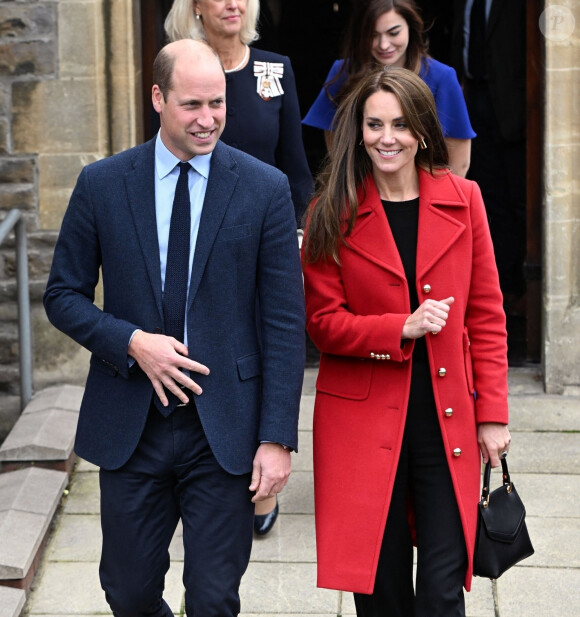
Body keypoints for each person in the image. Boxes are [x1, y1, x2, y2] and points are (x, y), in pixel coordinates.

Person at [43, 39, 305, 617]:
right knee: (129, 594)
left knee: (214, 602)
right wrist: (131, 342)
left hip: (226, 428)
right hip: (130, 425)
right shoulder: (103, 183)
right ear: (158, 97)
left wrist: (277, 437)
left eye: (217, 103)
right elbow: (61, 295)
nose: (208, 119)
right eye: (192, 105)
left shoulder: (264, 189)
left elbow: (285, 324)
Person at [301, 66, 511, 616]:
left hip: (447, 420)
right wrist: (400, 326)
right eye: (373, 124)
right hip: (361, 424)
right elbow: (322, 322)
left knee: (443, 590)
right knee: (380, 590)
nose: (385, 138)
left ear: (420, 130)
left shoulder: (465, 200)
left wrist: (493, 414)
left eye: (398, 124)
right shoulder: (331, 211)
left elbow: (486, 316)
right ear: (359, 130)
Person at [165, 0, 313, 228]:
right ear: (196, 6)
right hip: (198, 225)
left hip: (266, 225)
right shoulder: (177, 72)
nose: (233, 4)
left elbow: (295, 167)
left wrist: (298, 230)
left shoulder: (276, 69)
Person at [303, 0, 475, 178]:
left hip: (425, 192)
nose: (384, 45)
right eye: (373, 35)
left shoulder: (441, 77)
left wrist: (442, 200)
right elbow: (333, 140)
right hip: (359, 189)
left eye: (394, 33)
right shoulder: (344, 72)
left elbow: (459, 159)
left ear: (411, 27)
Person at [450, 0, 527, 355]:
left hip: (511, 104)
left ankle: (514, 288)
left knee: (514, 198)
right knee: (482, 192)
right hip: (471, 96)